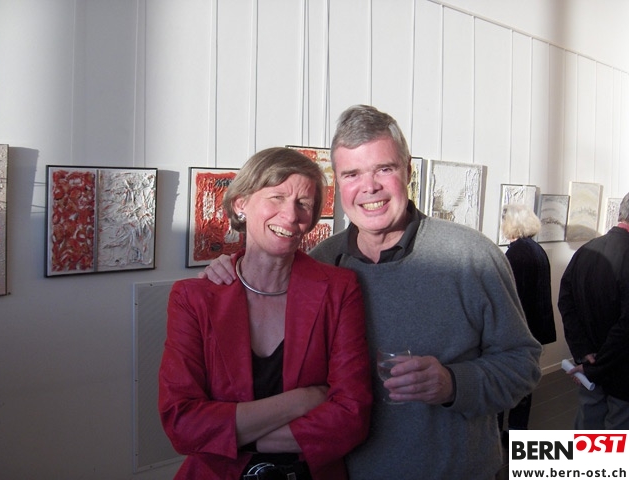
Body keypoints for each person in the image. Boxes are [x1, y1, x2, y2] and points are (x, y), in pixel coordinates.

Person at [202, 105, 542, 479]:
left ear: (408, 171)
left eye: (384, 169)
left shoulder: (471, 256)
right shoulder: (322, 263)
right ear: (338, 183)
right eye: (352, 174)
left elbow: (522, 364)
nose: (370, 187)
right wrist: (230, 267)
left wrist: (452, 383)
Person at [159, 147, 372, 480]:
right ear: (241, 204)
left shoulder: (339, 289)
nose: (290, 215)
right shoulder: (193, 298)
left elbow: (351, 417)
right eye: (277, 197)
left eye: (304, 204)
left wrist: (229, 437)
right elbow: (182, 424)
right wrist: (302, 400)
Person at [558, 191, 629, 429]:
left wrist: (584, 352)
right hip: (621, 372)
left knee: (588, 429)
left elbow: (566, 303)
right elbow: (626, 326)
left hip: (590, 365)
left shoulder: (586, 251)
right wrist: (597, 363)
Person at [498, 204, 556, 437]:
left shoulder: (516, 254)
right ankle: (518, 432)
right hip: (534, 329)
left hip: (517, 331)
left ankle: (499, 432)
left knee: (504, 381)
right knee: (524, 382)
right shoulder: (537, 250)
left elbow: (511, 299)